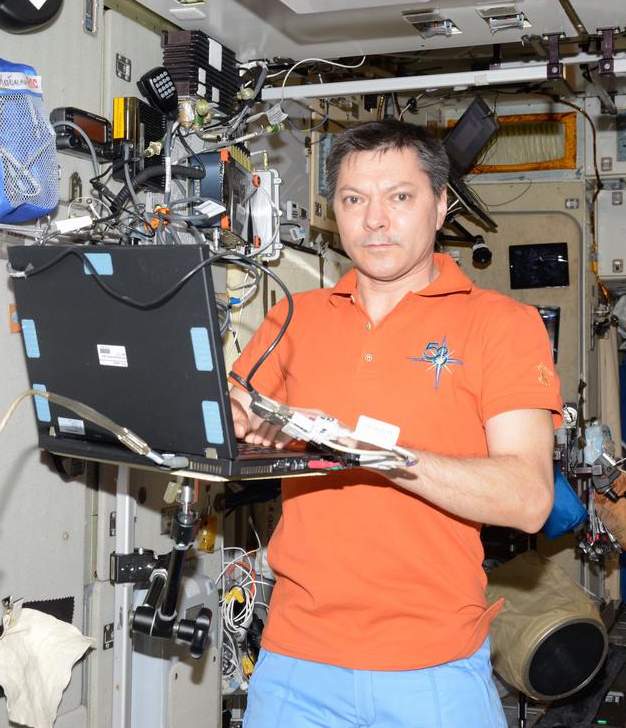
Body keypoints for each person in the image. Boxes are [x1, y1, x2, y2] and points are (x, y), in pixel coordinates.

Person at [228, 119, 563, 728]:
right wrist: (229, 419)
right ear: (336, 213)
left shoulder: (501, 325)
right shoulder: (294, 316)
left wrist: (371, 451)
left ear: (439, 207)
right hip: (294, 664)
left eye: (399, 197)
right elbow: (229, 424)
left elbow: (529, 498)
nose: (374, 219)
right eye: (355, 200)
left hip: (432, 669)